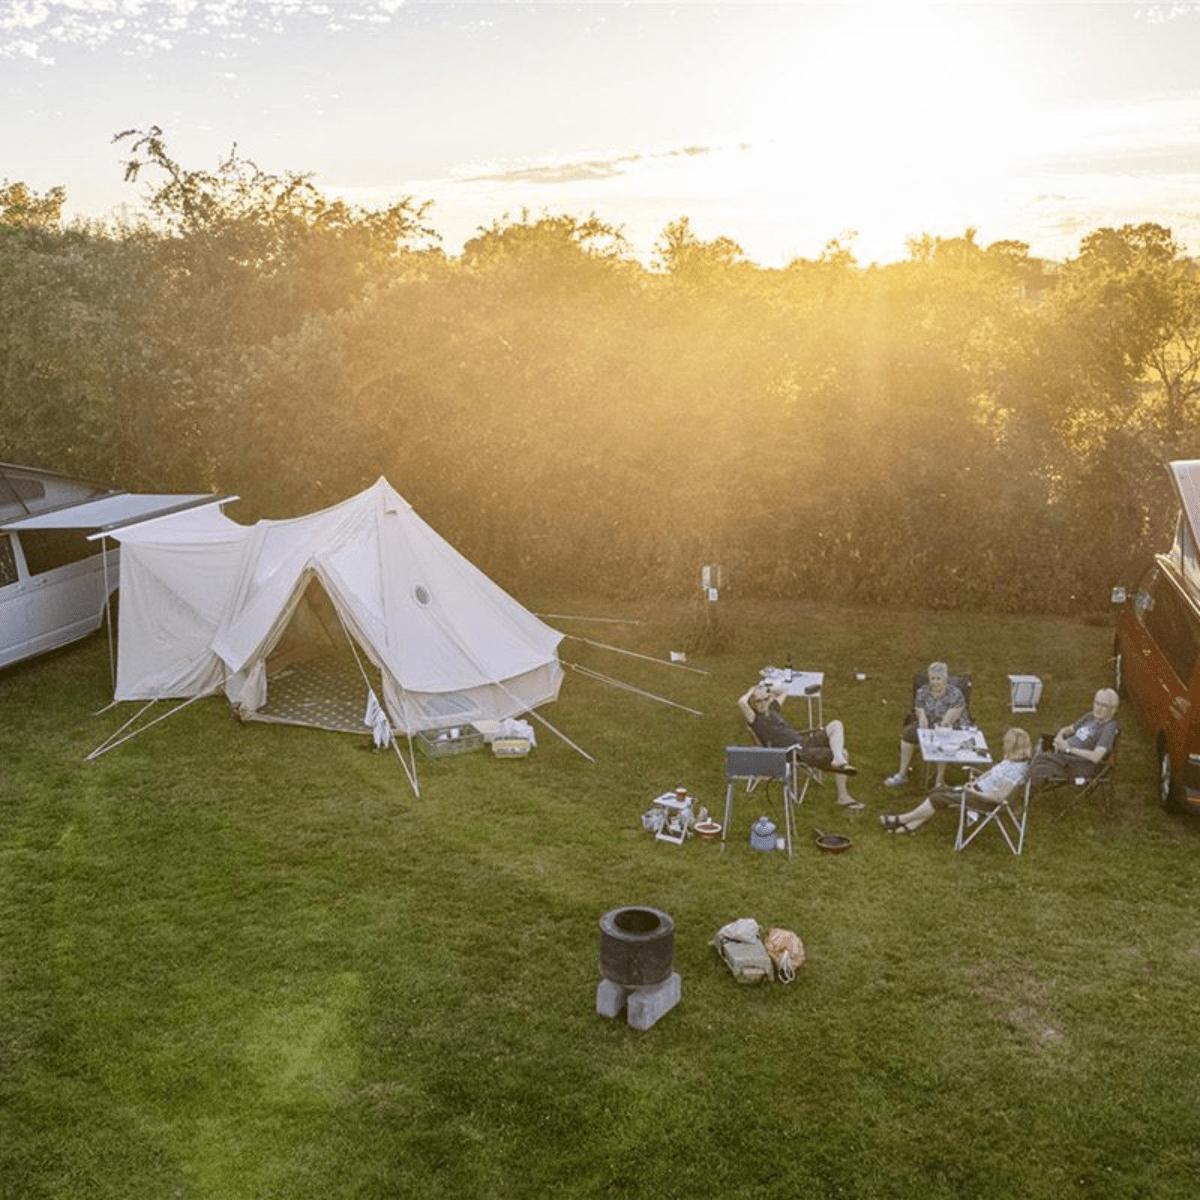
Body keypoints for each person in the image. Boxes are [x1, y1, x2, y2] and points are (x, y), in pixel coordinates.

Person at [737, 680, 864, 811]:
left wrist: (767, 688)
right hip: (794, 754)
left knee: (836, 724)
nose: (763, 703)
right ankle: (843, 796)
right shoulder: (754, 718)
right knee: (844, 752)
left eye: (766, 699)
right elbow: (741, 702)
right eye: (759, 701)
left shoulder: (772, 708)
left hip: (803, 745)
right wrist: (752, 690)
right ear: (752, 704)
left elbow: (785, 689)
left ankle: (838, 759)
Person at [878, 727, 1032, 835]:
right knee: (937, 791)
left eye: (1007, 742)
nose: (1003, 744)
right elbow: (992, 772)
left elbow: (998, 798)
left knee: (937, 797)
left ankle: (902, 819)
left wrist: (971, 791)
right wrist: (975, 781)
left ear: (1015, 746)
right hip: (976, 790)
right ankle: (911, 825)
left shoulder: (1016, 770)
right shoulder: (1011, 761)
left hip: (983, 800)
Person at [884, 661, 966, 788]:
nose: (935, 682)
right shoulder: (922, 691)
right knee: (908, 735)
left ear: (945, 679)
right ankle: (902, 774)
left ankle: (939, 781)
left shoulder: (955, 693)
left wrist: (947, 720)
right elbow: (919, 709)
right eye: (932, 678)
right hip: (927, 724)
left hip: (948, 726)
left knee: (943, 740)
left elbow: (957, 711)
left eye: (939, 678)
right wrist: (922, 719)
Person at [1027, 688, 1119, 787]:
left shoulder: (1109, 728)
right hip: (1063, 755)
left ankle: (1022, 780)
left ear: (1113, 709)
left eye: (1103, 706)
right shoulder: (1091, 716)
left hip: (1075, 765)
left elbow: (1096, 756)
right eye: (1097, 703)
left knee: (1038, 764)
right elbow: (1069, 729)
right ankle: (1021, 776)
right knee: (1038, 746)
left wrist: (1068, 749)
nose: (1098, 708)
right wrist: (1059, 737)